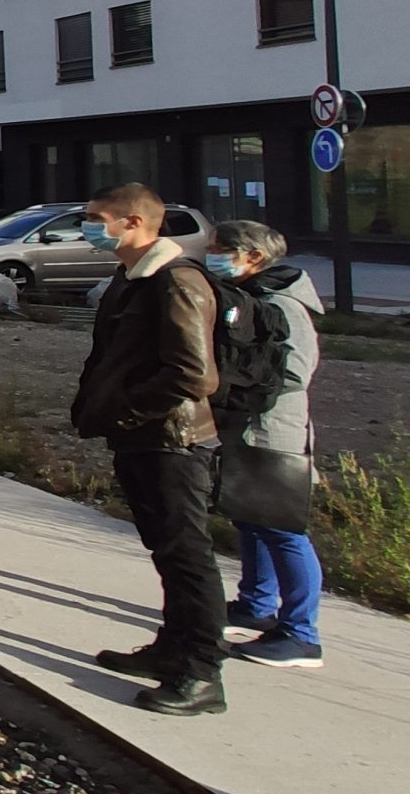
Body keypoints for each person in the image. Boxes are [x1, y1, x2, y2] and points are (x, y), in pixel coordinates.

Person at [68, 182, 226, 716]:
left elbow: (192, 374)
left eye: (96, 218)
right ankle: (172, 648)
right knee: (165, 549)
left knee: (188, 556)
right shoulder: (131, 278)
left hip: (172, 441)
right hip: (139, 438)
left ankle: (202, 671)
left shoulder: (176, 281)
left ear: (133, 222)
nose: (88, 227)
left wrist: (127, 410)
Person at [208, 220, 326, 671]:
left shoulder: (282, 304)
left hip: (274, 429)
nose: (212, 256)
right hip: (245, 424)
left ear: (253, 256)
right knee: (250, 517)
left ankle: (301, 633)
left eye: (222, 250)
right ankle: (256, 603)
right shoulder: (252, 297)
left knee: (282, 528)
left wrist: (236, 386)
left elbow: (295, 370)